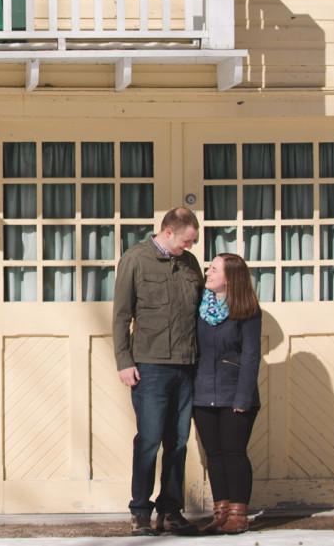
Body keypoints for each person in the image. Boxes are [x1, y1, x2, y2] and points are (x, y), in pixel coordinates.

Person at [112, 207, 204, 536]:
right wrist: (124, 361)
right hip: (150, 366)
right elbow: (122, 315)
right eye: (187, 240)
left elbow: (201, 313)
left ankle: (171, 511)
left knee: (178, 443)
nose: (191, 246)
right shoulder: (135, 260)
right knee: (149, 441)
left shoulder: (190, 264)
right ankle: (140, 513)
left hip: (186, 366)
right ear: (168, 232)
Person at [192, 253, 263, 535]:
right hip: (203, 392)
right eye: (208, 268)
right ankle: (220, 513)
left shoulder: (247, 309)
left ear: (230, 277)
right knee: (214, 455)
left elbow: (251, 355)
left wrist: (243, 398)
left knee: (234, 454)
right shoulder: (201, 307)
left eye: (213, 269)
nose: (207, 273)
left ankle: (238, 514)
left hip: (235, 393)